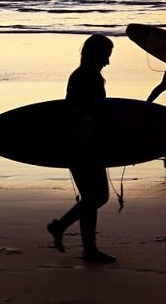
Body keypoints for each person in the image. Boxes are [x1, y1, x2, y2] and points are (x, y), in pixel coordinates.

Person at [47, 34, 116, 263]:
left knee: (92, 197)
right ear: (95, 54)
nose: (107, 61)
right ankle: (63, 228)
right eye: (106, 56)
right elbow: (81, 112)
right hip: (82, 145)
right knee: (96, 197)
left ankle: (89, 249)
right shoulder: (86, 78)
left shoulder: (86, 76)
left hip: (81, 144)